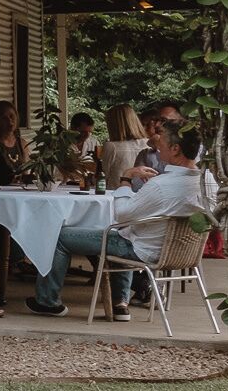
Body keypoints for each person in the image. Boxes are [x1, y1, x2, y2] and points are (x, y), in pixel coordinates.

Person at [31, 123, 218, 319]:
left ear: (175, 149)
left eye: (161, 140)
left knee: (60, 235)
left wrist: (126, 178)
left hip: (145, 250)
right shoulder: (208, 181)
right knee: (128, 232)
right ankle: (120, 304)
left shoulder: (162, 185)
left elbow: (121, 214)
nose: (157, 144)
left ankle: (47, 301)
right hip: (183, 252)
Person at [96, 104, 149, 187]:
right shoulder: (148, 144)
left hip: (115, 194)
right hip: (141, 194)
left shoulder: (111, 146)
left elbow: (102, 176)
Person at [0, 101, 29, 181]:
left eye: (11, 116)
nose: (9, 121)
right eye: (4, 118)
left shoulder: (22, 143)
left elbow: (25, 172)